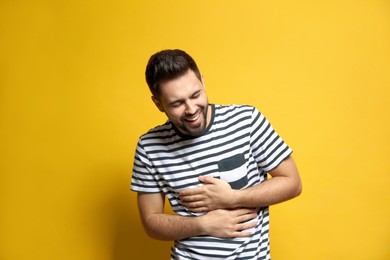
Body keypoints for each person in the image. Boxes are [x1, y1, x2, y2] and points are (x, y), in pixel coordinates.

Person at [131, 49, 302, 259]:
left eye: (196, 95)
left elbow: (292, 183)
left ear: (203, 81)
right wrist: (202, 224)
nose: (191, 108)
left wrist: (232, 198)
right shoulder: (149, 147)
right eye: (177, 103)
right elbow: (151, 223)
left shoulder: (246, 121)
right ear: (158, 103)